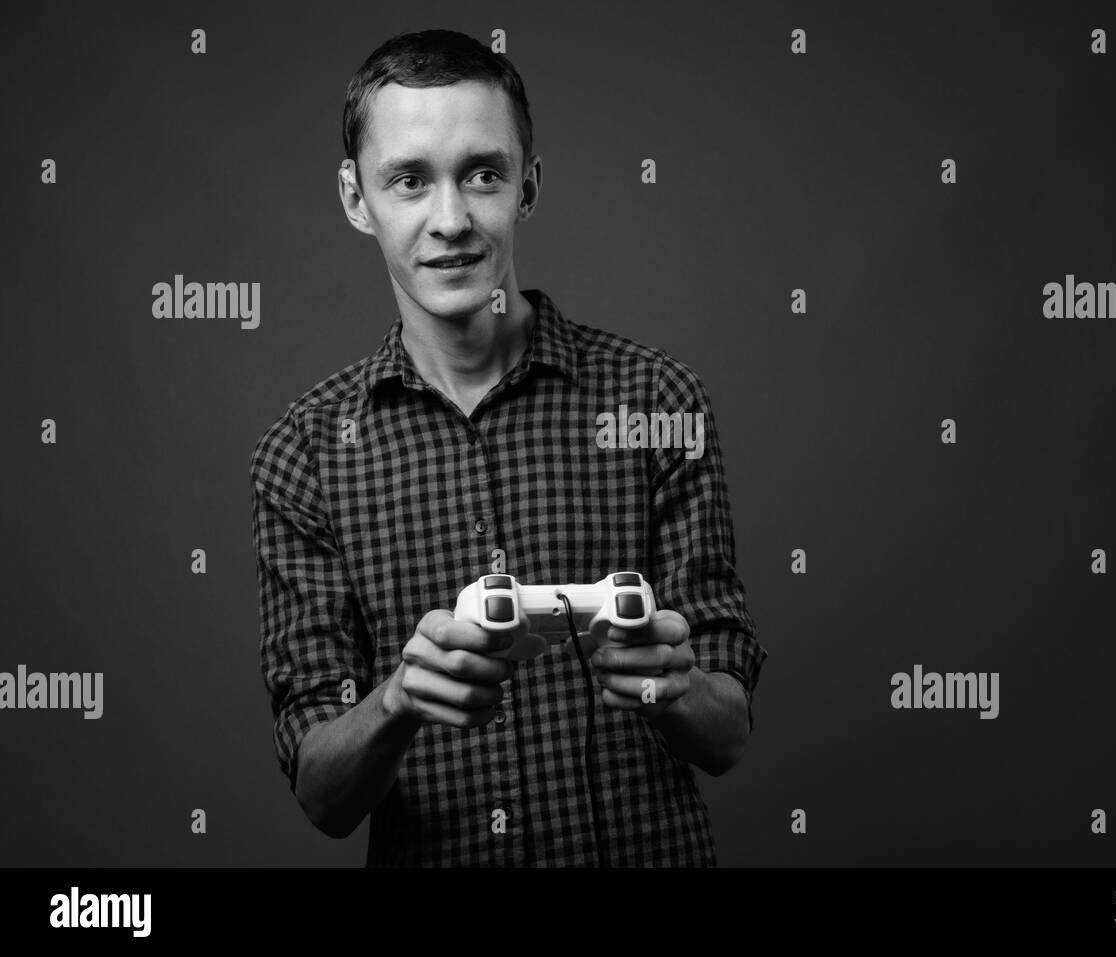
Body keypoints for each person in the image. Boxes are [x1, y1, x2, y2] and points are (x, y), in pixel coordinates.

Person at [249, 28, 767, 867]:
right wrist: (400, 700)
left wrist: (672, 683)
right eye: (409, 180)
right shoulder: (299, 456)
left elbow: (728, 733)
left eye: (482, 173)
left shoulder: (658, 401)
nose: (450, 219)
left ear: (527, 186)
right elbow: (321, 794)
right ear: (354, 197)